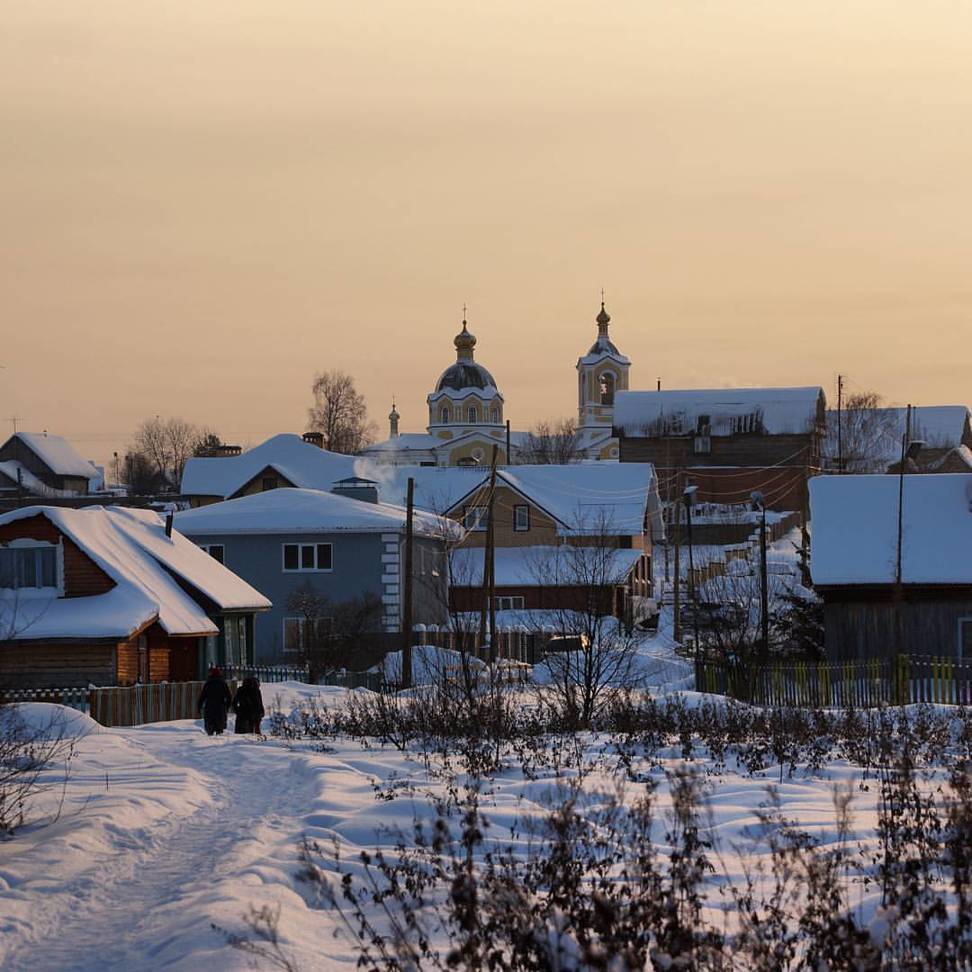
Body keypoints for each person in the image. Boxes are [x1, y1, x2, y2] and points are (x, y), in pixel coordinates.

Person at [198, 666, 232, 736]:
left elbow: (202, 696)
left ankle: (210, 738)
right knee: (219, 728)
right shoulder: (223, 683)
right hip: (220, 707)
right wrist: (226, 706)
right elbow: (229, 697)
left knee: (210, 728)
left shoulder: (208, 684)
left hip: (210, 707)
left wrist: (199, 706)